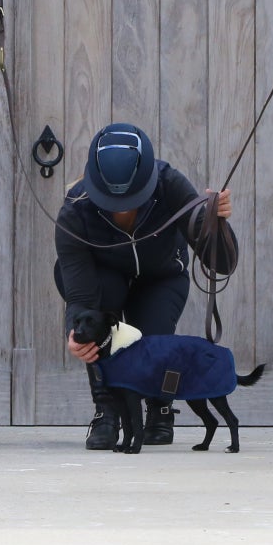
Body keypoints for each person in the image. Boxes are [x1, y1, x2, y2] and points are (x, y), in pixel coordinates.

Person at [55, 123, 239, 450]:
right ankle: (107, 411)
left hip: (161, 276)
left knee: (154, 338)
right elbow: (81, 296)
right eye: (111, 200)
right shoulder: (75, 209)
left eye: (131, 198)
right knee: (96, 323)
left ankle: (160, 407)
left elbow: (221, 264)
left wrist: (216, 223)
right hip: (105, 279)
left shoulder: (170, 184)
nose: (122, 207)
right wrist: (75, 331)